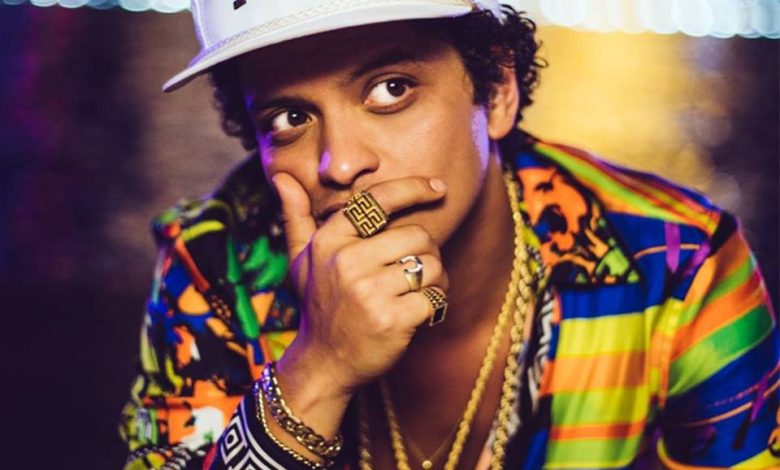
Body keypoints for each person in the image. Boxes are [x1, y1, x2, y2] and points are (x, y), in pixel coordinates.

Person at [119, 1, 780, 468]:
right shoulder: (213, 266)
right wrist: (318, 370)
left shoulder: (676, 262)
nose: (340, 164)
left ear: (496, 91)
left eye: (391, 89)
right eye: (290, 117)